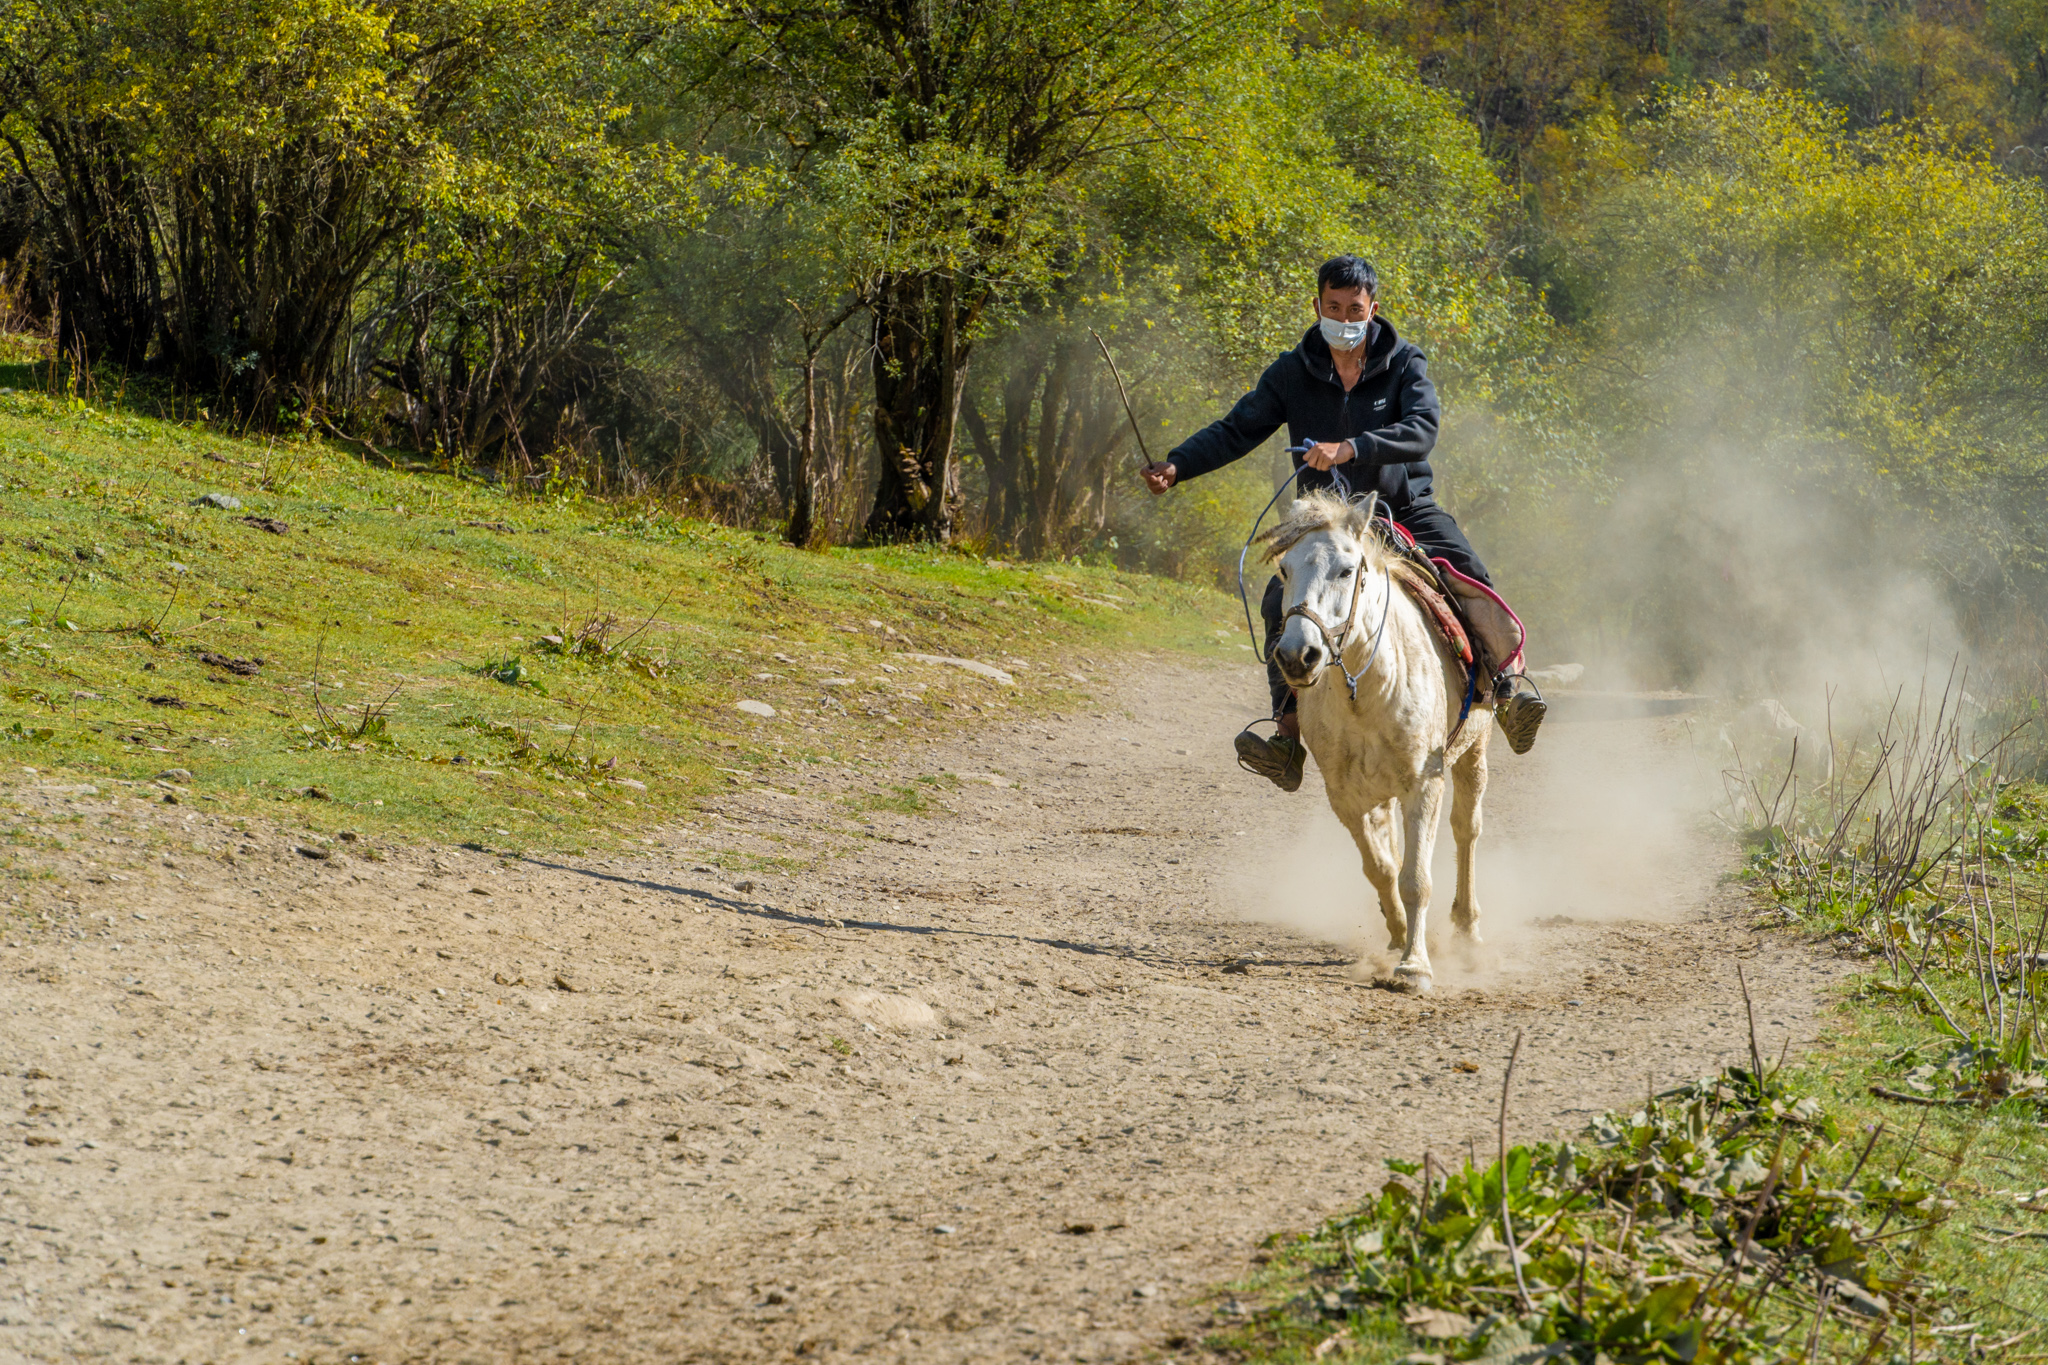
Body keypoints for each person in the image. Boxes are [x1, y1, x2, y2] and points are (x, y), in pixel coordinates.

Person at [1141, 255, 1543, 791]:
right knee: (1275, 602)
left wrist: (1353, 447)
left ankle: (1508, 690)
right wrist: (1178, 464)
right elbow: (1236, 429)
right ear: (1317, 306)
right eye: (1333, 307)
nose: (1344, 317)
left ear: (1373, 309)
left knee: (1465, 570)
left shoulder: (1405, 363)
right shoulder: (1291, 372)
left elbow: (1422, 430)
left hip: (1403, 508)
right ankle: (1286, 736)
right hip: (1324, 524)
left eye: (1355, 308)